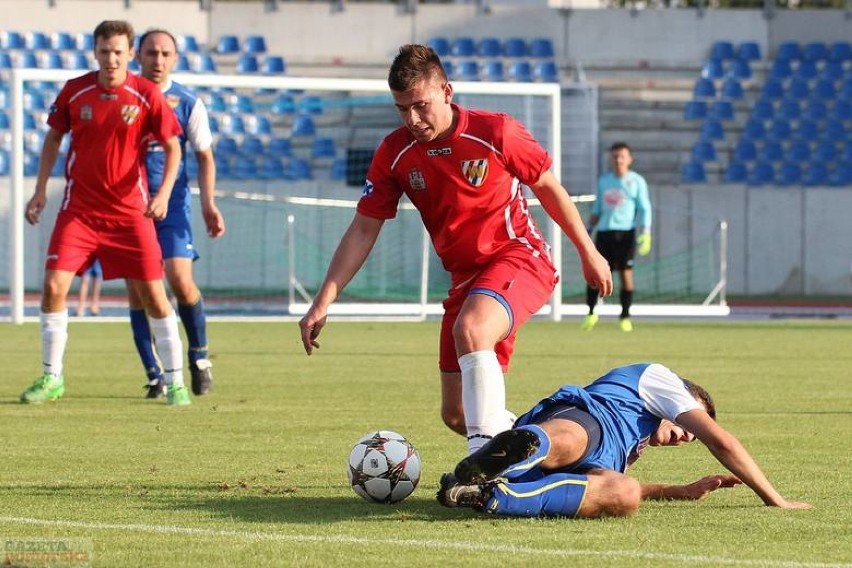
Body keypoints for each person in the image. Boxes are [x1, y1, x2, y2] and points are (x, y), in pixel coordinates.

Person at [299, 44, 613, 455]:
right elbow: (362, 229)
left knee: (472, 329)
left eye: (420, 105)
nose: (412, 119)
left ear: (446, 91)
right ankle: (559, 446)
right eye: (401, 109)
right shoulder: (395, 153)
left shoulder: (497, 132)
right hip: (466, 281)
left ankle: (480, 474)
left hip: (519, 257)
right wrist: (323, 301)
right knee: (459, 414)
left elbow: (549, 188)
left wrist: (588, 252)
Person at [20, 20, 192, 406]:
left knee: (154, 294)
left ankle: (176, 381)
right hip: (79, 211)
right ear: (95, 52)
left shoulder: (146, 94)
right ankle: (52, 378)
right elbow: (53, 137)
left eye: (118, 51)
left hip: (131, 213)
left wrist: (163, 194)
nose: (111, 58)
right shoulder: (74, 91)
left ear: (130, 54)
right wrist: (39, 192)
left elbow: (173, 147)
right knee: (52, 288)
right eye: (104, 51)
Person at [437, 362, 812, 517]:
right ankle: (513, 449)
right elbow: (723, 443)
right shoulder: (658, 378)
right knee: (570, 437)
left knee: (625, 492)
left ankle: (487, 493)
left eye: (689, 438)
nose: (686, 436)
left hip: (594, 463)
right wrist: (774, 499)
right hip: (590, 418)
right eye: (690, 423)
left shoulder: (637, 443)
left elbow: (602, 485)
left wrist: (678, 490)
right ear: (683, 399)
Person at [130, 28, 225, 399]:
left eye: (165, 53)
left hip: (173, 205)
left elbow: (204, 155)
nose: (158, 59)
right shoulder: (124, 98)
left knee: (179, 280)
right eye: (151, 52)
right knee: (139, 290)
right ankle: (154, 373)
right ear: (138, 55)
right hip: (130, 208)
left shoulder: (186, 102)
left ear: (175, 59)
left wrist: (208, 204)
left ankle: (199, 359)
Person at [582, 142, 652, 333]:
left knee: (626, 275)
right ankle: (590, 312)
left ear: (629, 159)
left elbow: (644, 208)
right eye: (615, 156)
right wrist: (587, 229)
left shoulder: (636, 181)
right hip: (605, 233)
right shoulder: (604, 181)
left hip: (626, 234)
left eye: (622, 156)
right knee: (597, 274)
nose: (618, 159)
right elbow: (597, 209)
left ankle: (625, 316)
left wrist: (646, 233)